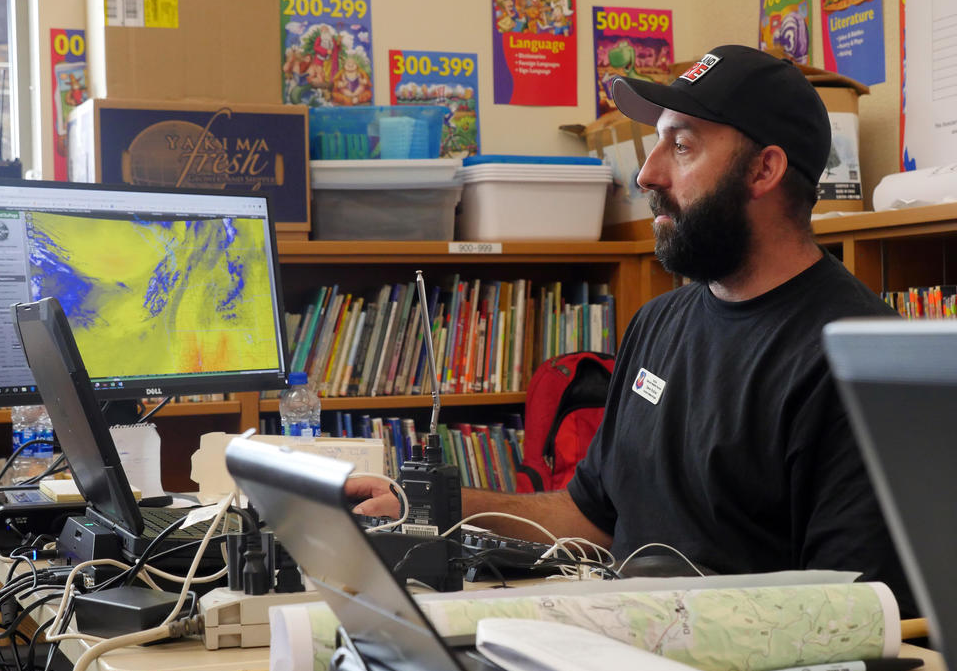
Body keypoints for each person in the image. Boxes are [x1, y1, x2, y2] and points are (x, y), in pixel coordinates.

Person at [348, 44, 916, 617]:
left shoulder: (862, 360)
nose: (647, 172)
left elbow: (856, 611)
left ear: (764, 169)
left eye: (683, 146)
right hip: (629, 646)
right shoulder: (659, 322)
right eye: (656, 144)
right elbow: (591, 516)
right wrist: (424, 503)